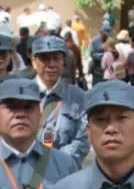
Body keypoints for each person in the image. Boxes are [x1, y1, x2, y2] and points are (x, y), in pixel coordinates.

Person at [25, 35, 90, 164]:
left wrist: (55, 162)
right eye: (45, 59)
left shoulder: (78, 96)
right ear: (34, 61)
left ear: (63, 61)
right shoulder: (22, 94)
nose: (51, 64)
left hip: (66, 171)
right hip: (28, 169)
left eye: (56, 58)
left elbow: (83, 140)